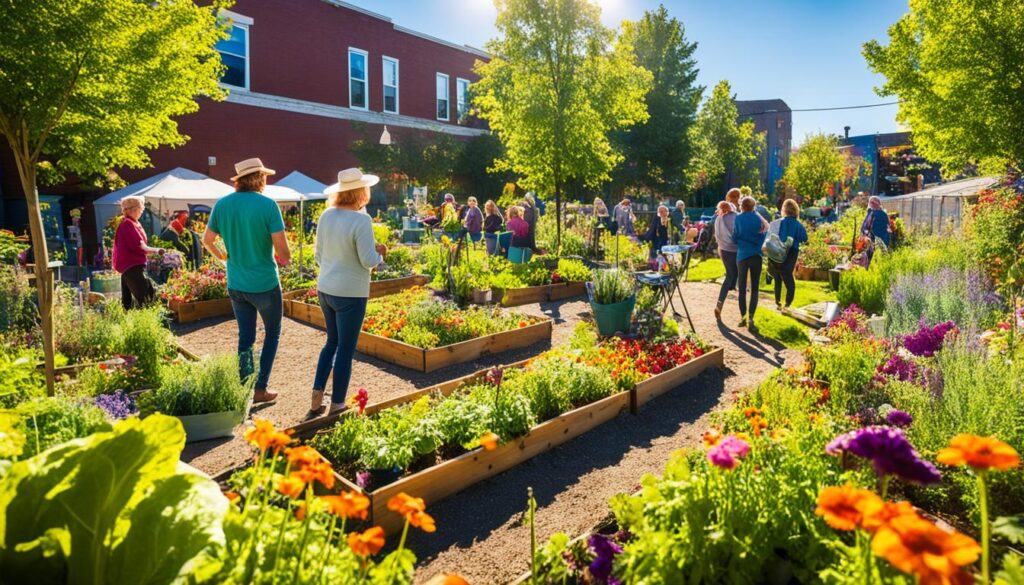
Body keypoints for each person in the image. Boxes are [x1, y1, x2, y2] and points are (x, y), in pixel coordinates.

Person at [203, 158, 289, 404]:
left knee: (245, 337)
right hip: (265, 283)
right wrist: (281, 257)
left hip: (236, 284)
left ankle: (244, 386)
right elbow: (283, 254)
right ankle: (260, 388)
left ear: (239, 180)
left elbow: (207, 240)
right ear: (260, 178)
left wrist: (223, 257)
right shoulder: (268, 205)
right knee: (272, 333)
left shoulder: (222, 205)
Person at [307, 168, 386, 418]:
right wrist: (381, 252)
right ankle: (338, 403)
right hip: (351, 293)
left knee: (331, 342)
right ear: (361, 191)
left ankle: (316, 397)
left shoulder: (326, 215)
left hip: (326, 288)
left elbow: (318, 255)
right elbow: (368, 260)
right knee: (345, 349)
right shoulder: (361, 220)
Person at [112, 196, 164, 311]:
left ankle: (135, 325)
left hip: (130, 266)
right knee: (147, 299)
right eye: (141, 209)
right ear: (133, 209)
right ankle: (151, 325)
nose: (142, 211)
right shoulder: (128, 224)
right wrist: (157, 250)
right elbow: (140, 246)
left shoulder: (132, 223)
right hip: (132, 266)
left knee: (128, 303)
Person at [733, 196, 767, 333]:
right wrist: (760, 239)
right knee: (754, 288)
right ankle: (751, 317)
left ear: (742, 205)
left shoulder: (738, 218)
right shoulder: (758, 218)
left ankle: (743, 317)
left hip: (742, 255)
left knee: (741, 287)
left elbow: (734, 237)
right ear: (754, 206)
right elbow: (765, 232)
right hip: (756, 255)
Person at [773, 199, 809, 310]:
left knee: (778, 275)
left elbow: (772, 235)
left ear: (784, 209)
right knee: (788, 274)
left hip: (779, 249)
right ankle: (788, 302)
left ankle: (778, 301)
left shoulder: (779, 222)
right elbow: (804, 238)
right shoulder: (798, 225)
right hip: (792, 251)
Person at [713, 200, 738, 321]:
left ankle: (720, 302)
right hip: (734, 250)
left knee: (730, 274)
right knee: (732, 275)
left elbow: (716, 236)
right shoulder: (735, 217)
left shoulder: (718, 219)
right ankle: (743, 312)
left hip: (722, 250)